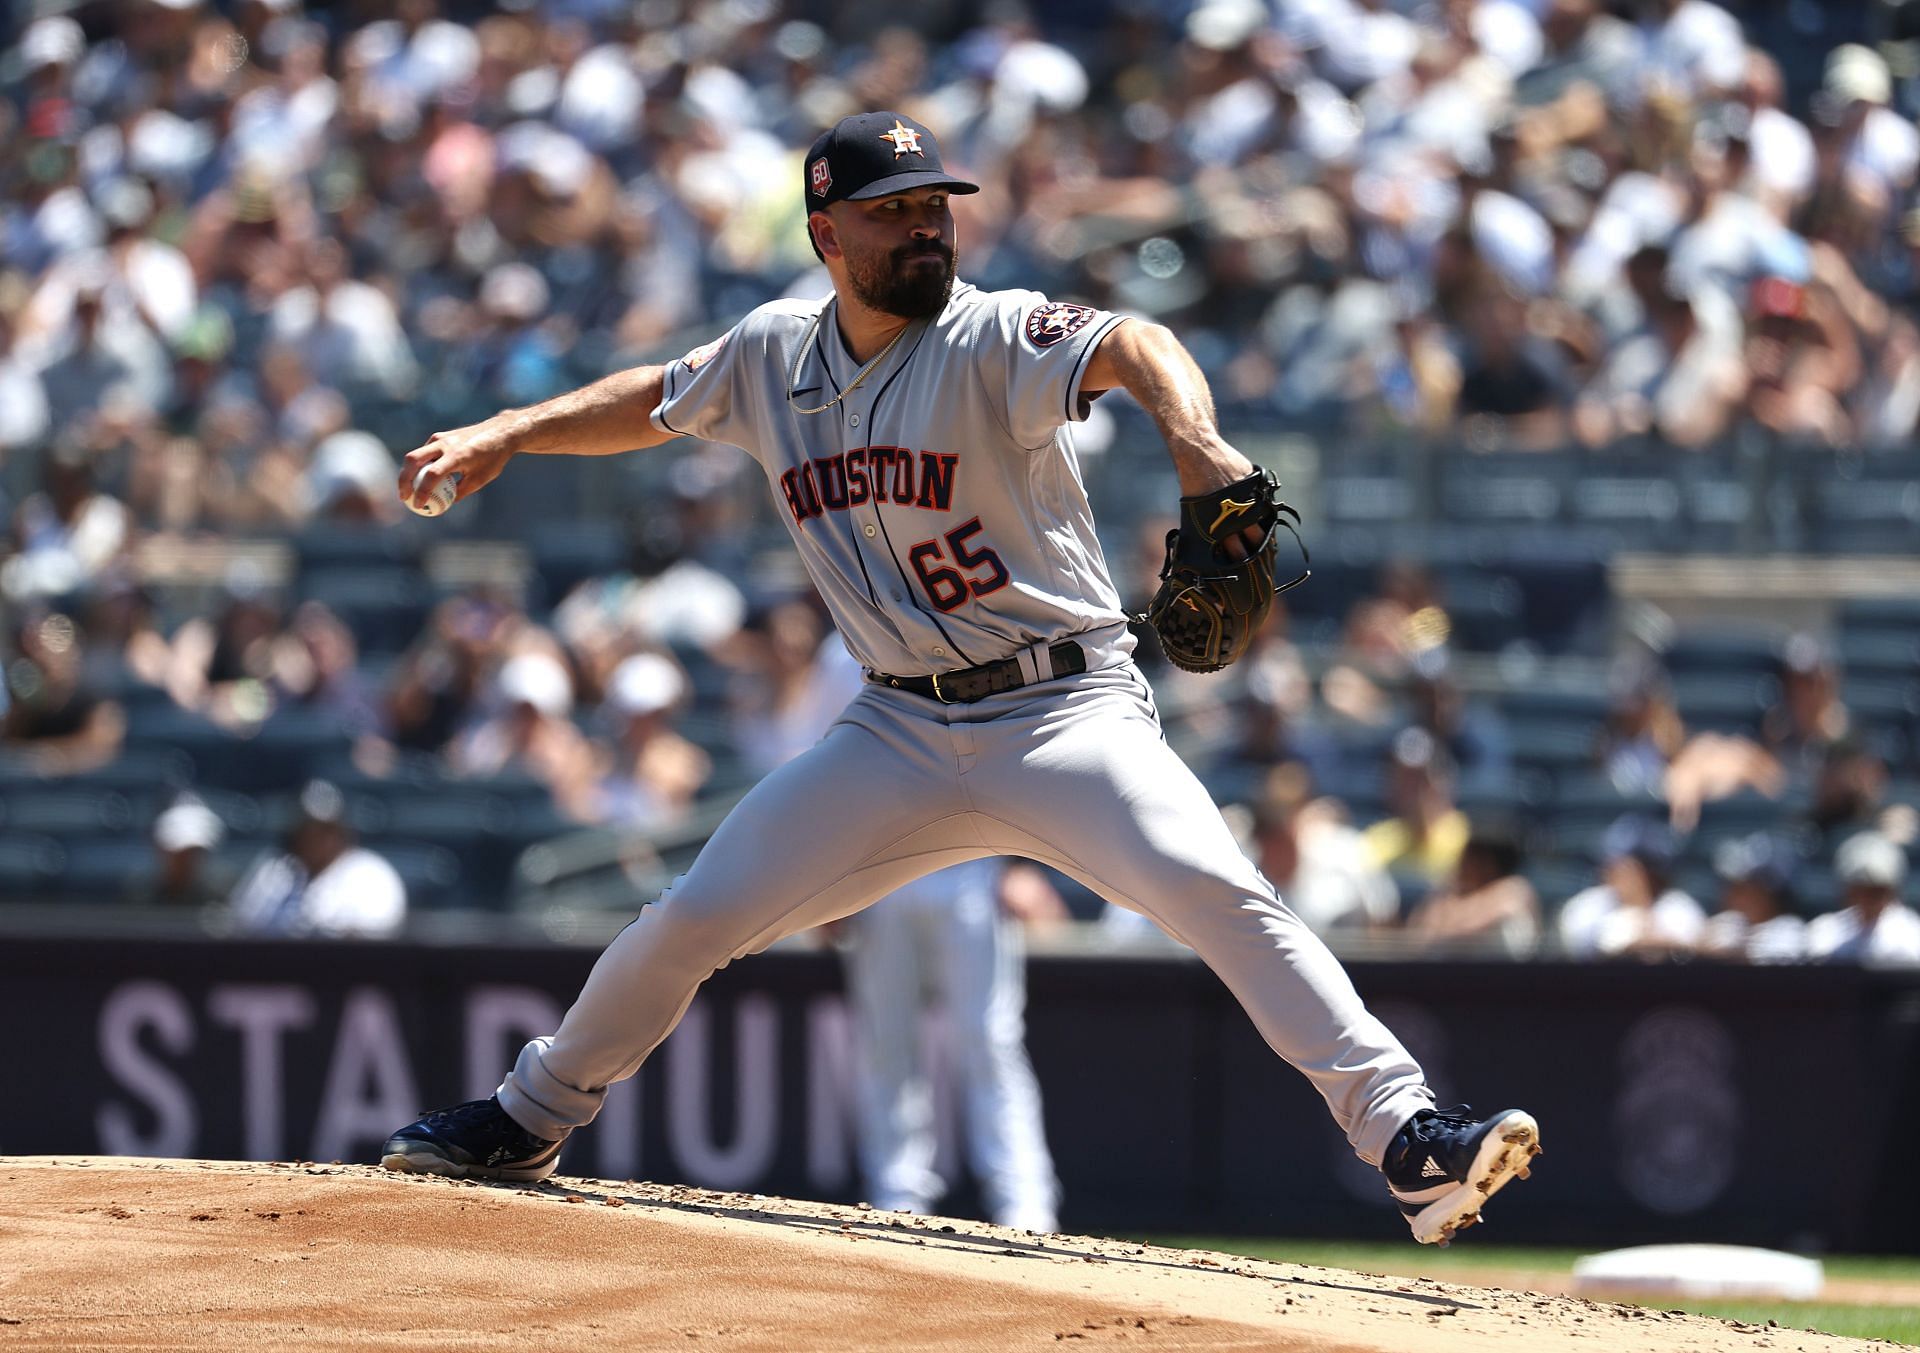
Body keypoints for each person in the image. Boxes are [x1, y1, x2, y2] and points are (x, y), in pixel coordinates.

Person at [378, 111, 1539, 1245]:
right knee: (697, 915)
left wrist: (1197, 440)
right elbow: (657, 396)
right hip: (892, 731)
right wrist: (511, 429)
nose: (928, 228)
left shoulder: (992, 335)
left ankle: (1408, 1138)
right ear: (829, 235)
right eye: (895, 213)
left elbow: (1135, 344)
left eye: (937, 205)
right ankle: (529, 1120)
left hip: (1063, 710)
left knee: (1219, 893)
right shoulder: (774, 352)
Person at [227, 778, 407, 938]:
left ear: (339, 831)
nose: (311, 839)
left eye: (323, 830)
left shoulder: (370, 875)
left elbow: (372, 946)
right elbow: (242, 929)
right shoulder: (274, 873)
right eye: (304, 830)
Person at [1557, 814, 1707, 959]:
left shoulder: (1679, 907)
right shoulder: (1588, 906)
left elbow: (1691, 952)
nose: (1624, 873)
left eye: (1639, 867)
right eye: (1618, 864)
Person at [1806, 830, 1920, 965]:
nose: (1865, 899)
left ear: (1892, 891)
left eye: (1876, 891)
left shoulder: (1912, 934)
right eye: (1859, 890)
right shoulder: (1825, 931)